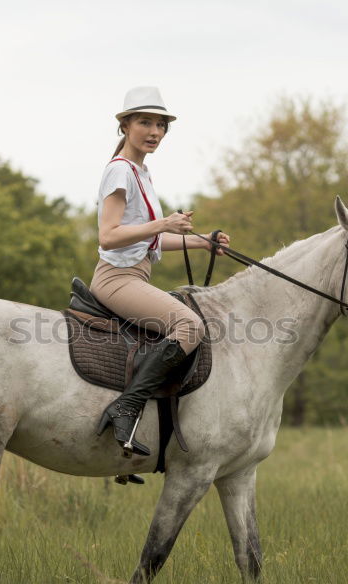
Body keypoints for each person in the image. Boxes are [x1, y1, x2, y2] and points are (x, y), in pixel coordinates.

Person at [91, 86, 231, 456]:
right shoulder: (120, 172)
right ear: (124, 125)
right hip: (117, 279)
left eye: (160, 125)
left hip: (136, 274)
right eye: (144, 122)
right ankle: (126, 407)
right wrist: (162, 225)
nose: (154, 132)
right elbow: (109, 237)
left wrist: (203, 242)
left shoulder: (142, 172)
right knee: (189, 326)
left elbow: (149, 242)